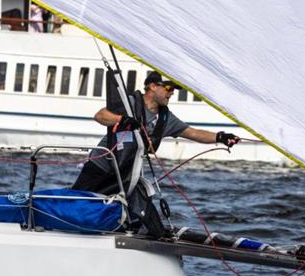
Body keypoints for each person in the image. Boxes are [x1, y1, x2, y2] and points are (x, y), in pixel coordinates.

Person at [72, 71, 240, 195]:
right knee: (79, 199)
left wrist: (220, 137)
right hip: (101, 165)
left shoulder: (166, 118)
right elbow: (100, 116)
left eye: (174, 90)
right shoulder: (130, 103)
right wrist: (122, 120)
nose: (172, 92)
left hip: (126, 173)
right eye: (168, 88)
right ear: (152, 86)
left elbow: (193, 133)